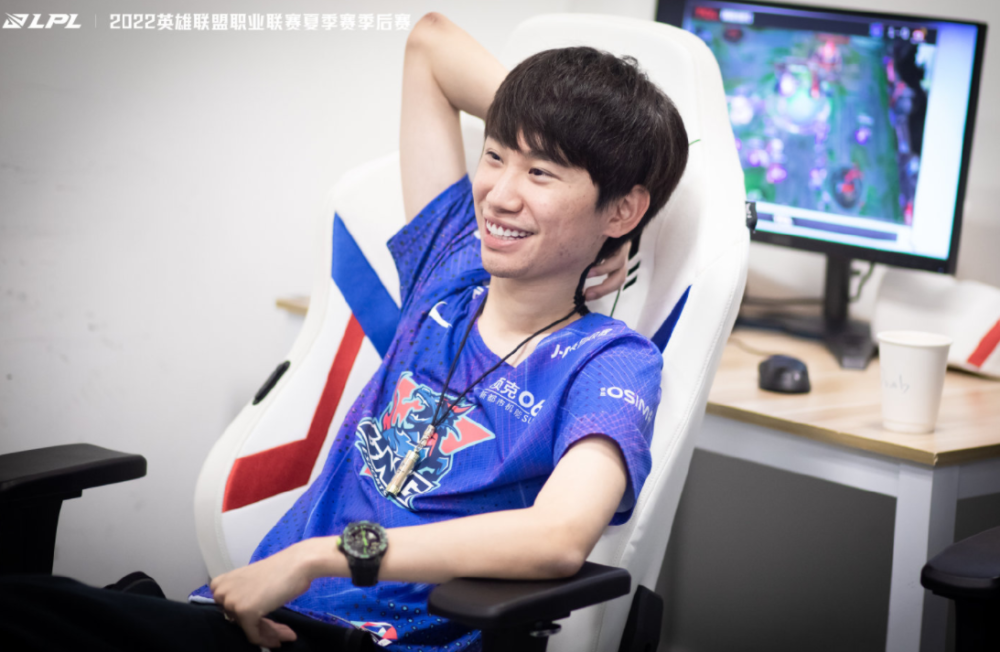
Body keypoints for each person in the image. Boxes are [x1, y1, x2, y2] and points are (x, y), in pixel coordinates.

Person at [0, 11, 688, 652]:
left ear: (623, 210)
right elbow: (430, 45)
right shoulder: (450, 268)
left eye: (540, 172)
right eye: (496, 155)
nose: (500, 195)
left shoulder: (609, 361)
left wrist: (321, 557)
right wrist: (555, 133)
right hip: (245, 619)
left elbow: (558, 536)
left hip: (370, 639)